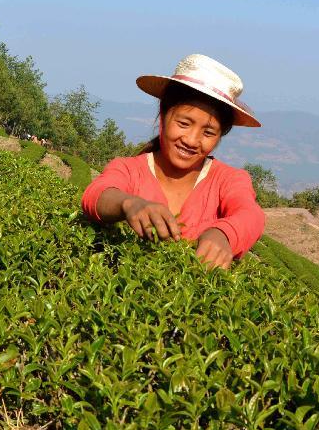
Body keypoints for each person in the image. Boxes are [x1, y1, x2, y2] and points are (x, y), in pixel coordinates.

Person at [81, 54, 265, 269]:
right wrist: (129, 203)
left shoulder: (228, 180)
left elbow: (251, 214)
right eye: (184, 123)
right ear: (163, 115)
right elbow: (97, 194)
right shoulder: (129, 169)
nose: (191, 140)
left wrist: (223, 234)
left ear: (220, 136)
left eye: (208, 132)